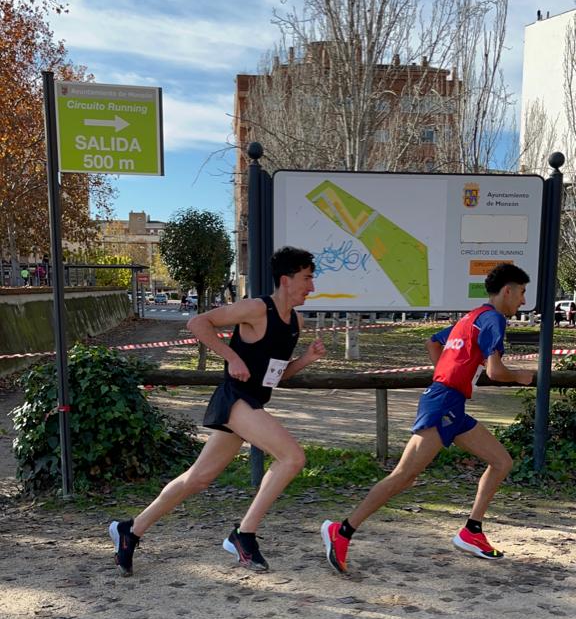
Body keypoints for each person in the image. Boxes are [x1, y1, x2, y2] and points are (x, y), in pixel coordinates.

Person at [109, 246, 325, 576]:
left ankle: (131, 531)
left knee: (198, 479)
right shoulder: (256, 308)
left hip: (253, 401)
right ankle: (244, 534)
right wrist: (232, 357)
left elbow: (275, 375)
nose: (311, 286)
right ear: (286, 279)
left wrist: (307, 359)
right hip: (235, 398)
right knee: (292, 457)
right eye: (307, 278)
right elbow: (198, 323)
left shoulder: (295, 321)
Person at [321, 263, 534, 572]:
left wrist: (447, 377)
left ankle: (471, 531)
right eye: (522, 293)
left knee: (501, 462)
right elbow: (495, 371)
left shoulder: (472, 317)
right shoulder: (494, 320)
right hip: (443, 404)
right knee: (404, 476)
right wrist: (520, 376)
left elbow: (433, 342)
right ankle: (340, 532)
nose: (523, 301)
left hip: (451, 405)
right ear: (507, 291)